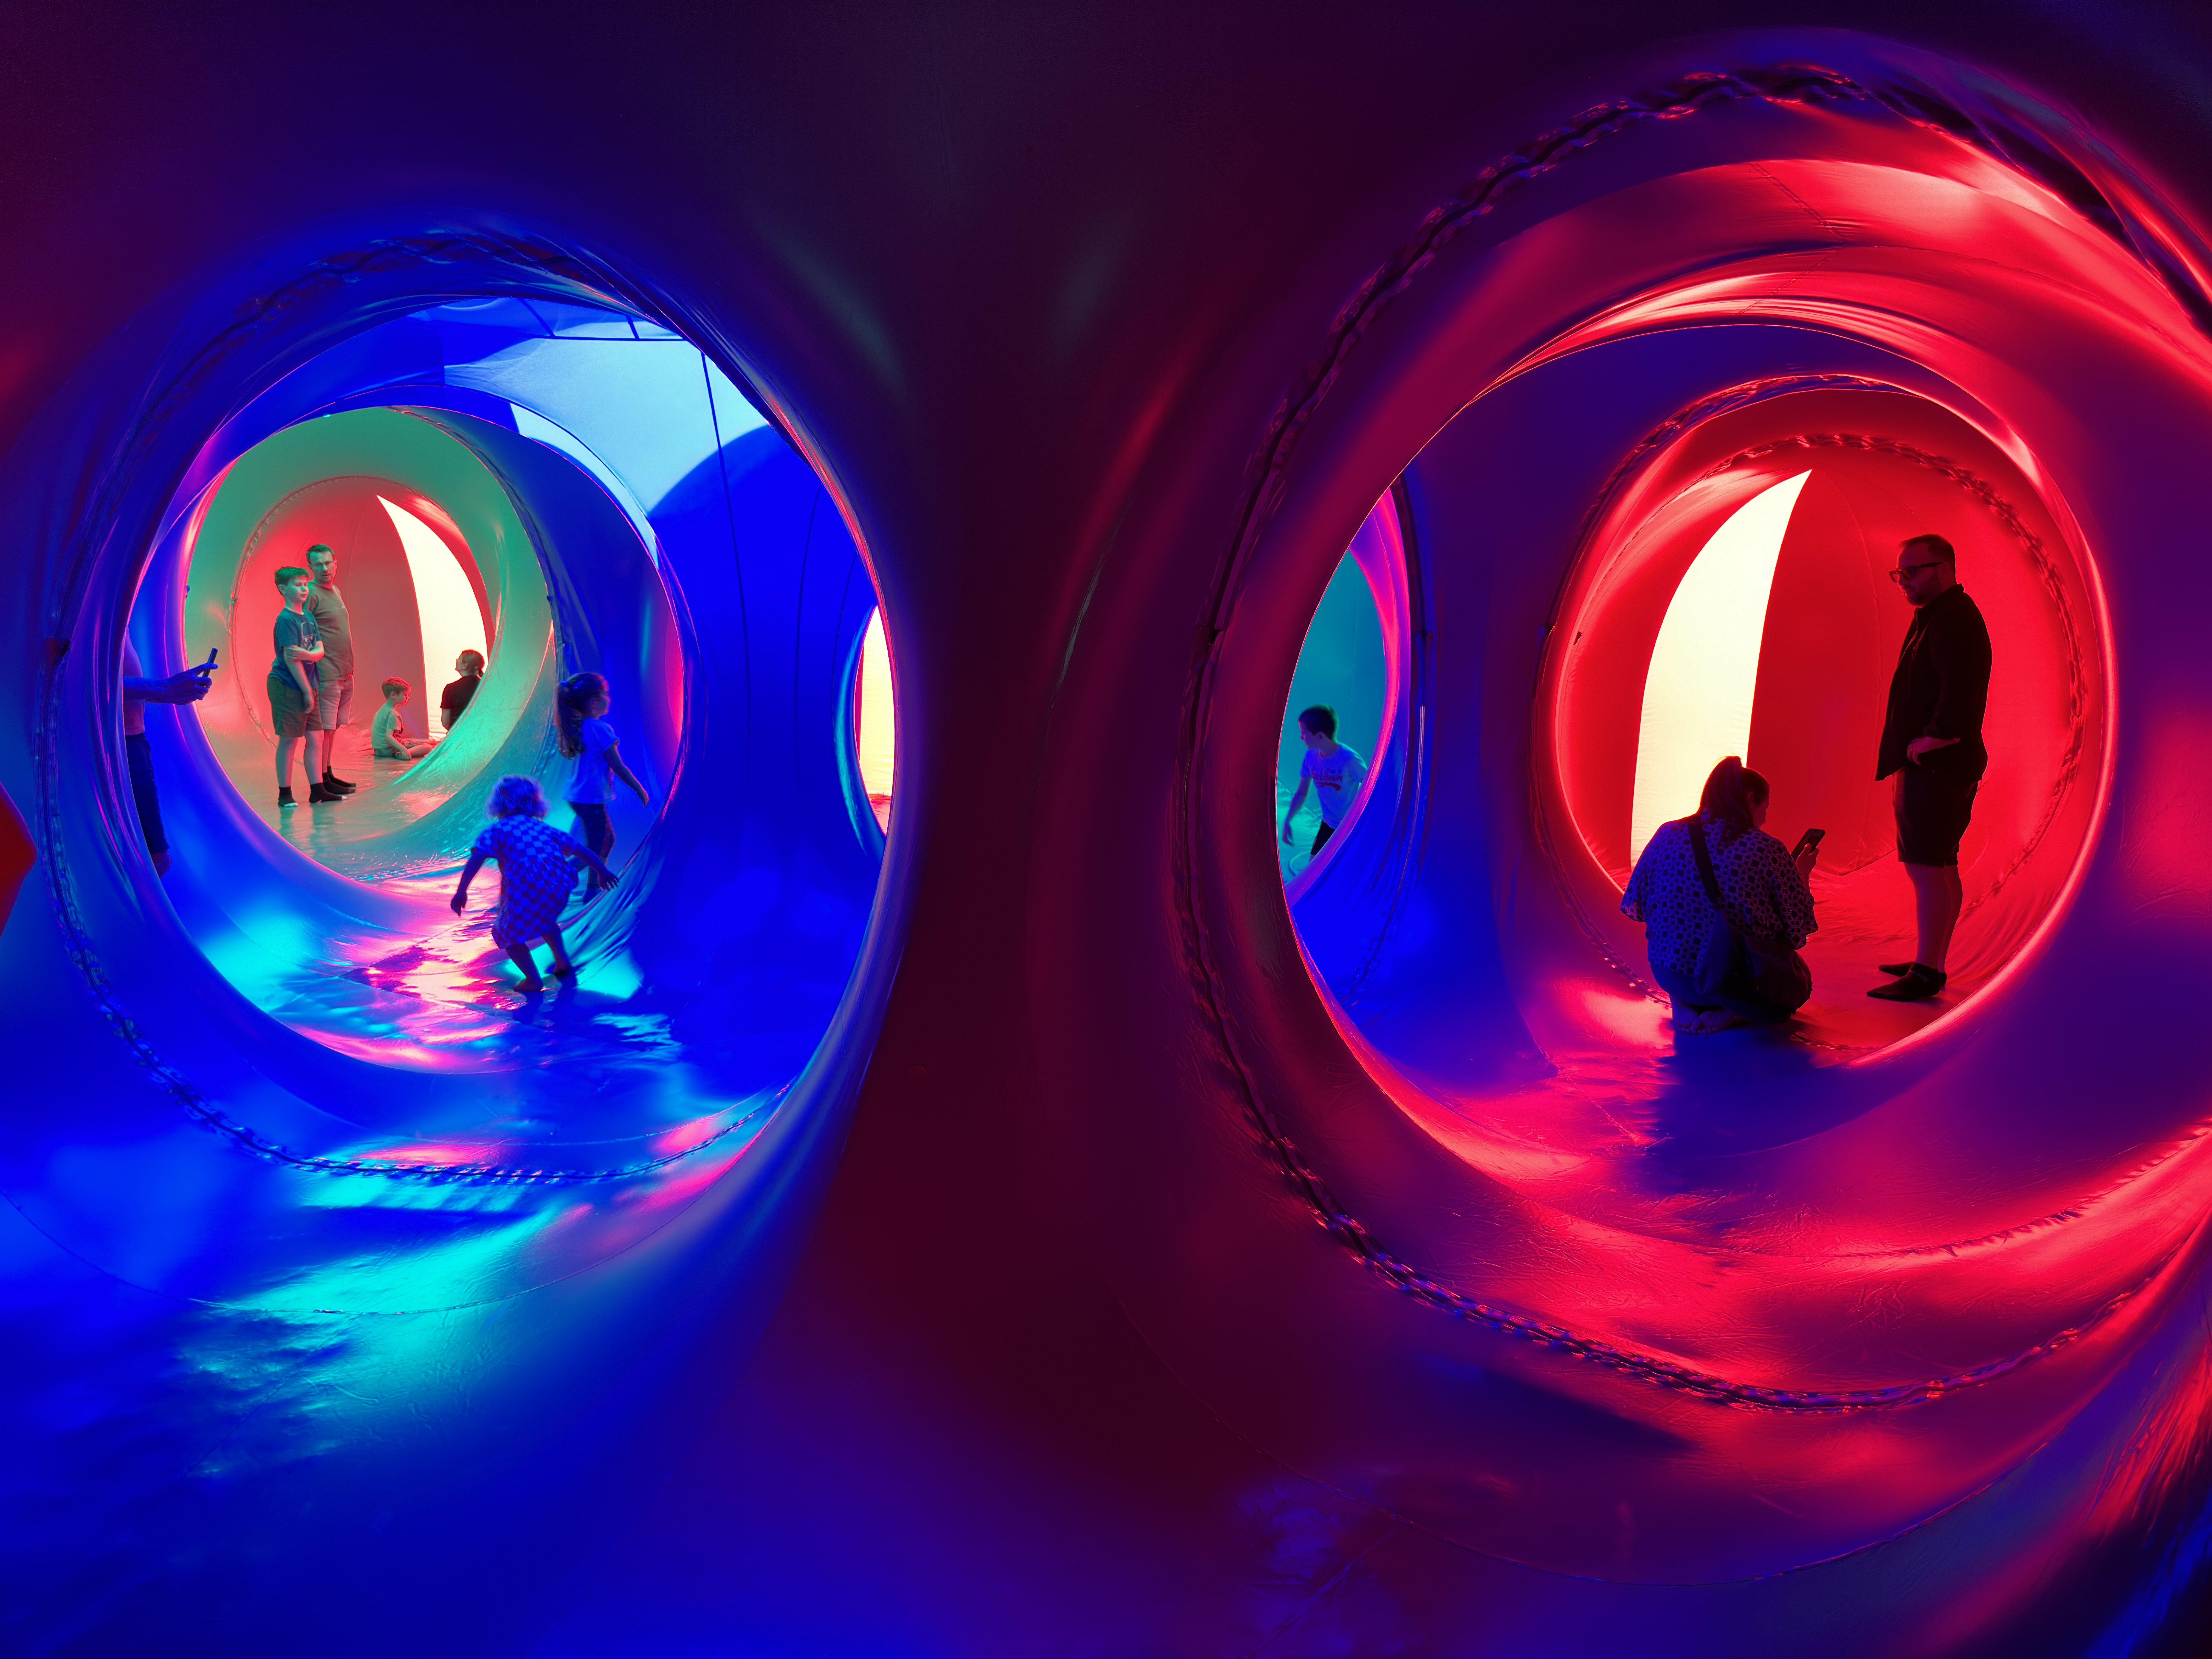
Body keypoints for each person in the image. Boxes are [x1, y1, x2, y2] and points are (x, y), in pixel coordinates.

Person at [1869, 533, 1992, 1003]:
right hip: (1941, 766)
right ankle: (1932, 961)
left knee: (1926, 868)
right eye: (1899, 573)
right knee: (1941, 865)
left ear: (1944, 569)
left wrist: (1932, 738)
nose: (1903, 580)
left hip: (1937, 767)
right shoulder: (1940, 615)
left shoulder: (1952, 619)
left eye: (1912, 571)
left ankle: (1926, 971)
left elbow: (1960, 691)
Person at [1621, 756, 1819, 1034]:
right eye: (1765, 808)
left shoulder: (1666, 834)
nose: (1765, 818)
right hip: (1734, 980)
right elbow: (1798, 930)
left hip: (1669, 973)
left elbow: (1636, 905)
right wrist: (1801, 874)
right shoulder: (1766, 848)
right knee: (1801, 981)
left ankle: (1681, 1002)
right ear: (1750, 800)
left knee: (1687, 947)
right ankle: (1733, 1012)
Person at [450, 774, 616, 993]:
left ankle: (533, 980)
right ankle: (562, 962)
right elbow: (582, 850)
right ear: (535, 802)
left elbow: (478, 857)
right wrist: (603, 872)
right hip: (558, 887)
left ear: (498, 804)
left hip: (526, 888)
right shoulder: (544, 828)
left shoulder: (497, 831)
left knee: (507, 934)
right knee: (546, 921)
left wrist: (462, 891)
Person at [121, 641, 217, 874]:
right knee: (155, 859)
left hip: (131, 738)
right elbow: (90, 680)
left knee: (153, 858)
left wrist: (172, 693)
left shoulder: (118, 626)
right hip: (121, 741)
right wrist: (166, 688)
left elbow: (111, 684)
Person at [555, 672, 650, 892]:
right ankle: (564, 876)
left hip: (579, 796)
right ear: (594, 702)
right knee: (599, 845)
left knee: (605, 841)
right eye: (606, 695)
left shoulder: (578, 728)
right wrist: (638, 789)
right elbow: (617, 765)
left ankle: (591, 888)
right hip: (590, 798)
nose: (610, 698)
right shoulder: (601, 730)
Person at [269, 566, 340, 806]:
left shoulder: (308, 617)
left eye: (305, 585)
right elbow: (292, 660)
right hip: (289, 685)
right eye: (298, 585)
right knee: (290, 739)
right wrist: (307, 691)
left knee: (316, 737)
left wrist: (309, 655)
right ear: (283, 589)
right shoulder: (286, 620)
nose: (304, 589)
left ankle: (317, 790)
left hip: (311, 684)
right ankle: (285, 793)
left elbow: (320, 650)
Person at [1280, 704, 1368, 859]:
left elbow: (1372, 790)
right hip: (1329, 824)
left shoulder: (1350, 759)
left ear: (1320, 736)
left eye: (1304, 733)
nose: (1301, 737)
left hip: (1352, 826)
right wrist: (1288, 820)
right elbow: (1302, 793)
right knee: (1313, 868)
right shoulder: (1310, 757)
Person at [303, 543, 357, 796]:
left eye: (328, 563)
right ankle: (321, 783)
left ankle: (328, 773)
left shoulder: (335, 591)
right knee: (323, 731)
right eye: (319, 565)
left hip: (345, 673)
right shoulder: (311, 595)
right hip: (327, 675)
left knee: (332, 728)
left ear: (336, 564)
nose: (325, 569)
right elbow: (303, 633)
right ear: (311, 568)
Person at [371, 677, 440, 761]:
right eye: (405, 695)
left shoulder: (383, 710)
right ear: (393, 695)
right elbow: (389, 737)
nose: (408, 698)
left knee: (418, 742)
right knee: (428, 748)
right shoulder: (393, 714)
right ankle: (402, 754)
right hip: (388, 750)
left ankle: (425, 744)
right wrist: (404, 750)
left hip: (379, 751)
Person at [440, 650, 486, 731]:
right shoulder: (485, 686)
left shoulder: (450, 689)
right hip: (481, 732)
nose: (457, 660)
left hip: (459, 735)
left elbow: (446, 722)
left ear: (465, 666)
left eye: (459, 659)